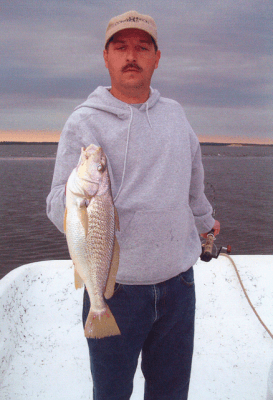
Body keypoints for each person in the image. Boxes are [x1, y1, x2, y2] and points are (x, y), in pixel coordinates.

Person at [46, 10, 220, 400]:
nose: (131, 56)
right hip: (115, 289)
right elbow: (55, 203)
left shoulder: (176, 115)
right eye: (121, 47)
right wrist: (78, 201)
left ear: (157, 58)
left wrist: (206, 223)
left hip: (179, 283)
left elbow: (194, 185)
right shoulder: (83, 122)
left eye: (143, 47)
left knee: (171, 392)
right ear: (106, 57)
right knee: (111, 393)